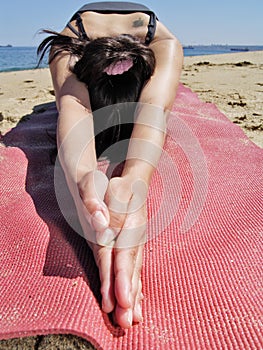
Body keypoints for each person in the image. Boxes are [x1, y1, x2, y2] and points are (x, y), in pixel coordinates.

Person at [38, 1, 183, 329]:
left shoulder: (165, 43)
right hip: (83, 37)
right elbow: (75, 108)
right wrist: (84, 183)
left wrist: (135, 180)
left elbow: (153, 109)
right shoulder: (68, 44)